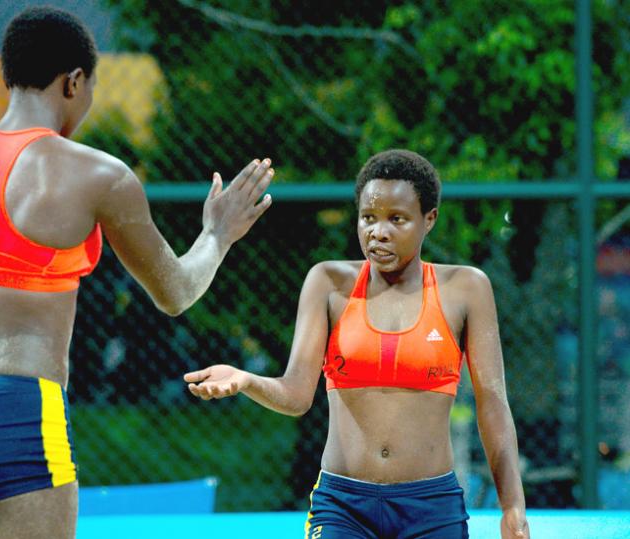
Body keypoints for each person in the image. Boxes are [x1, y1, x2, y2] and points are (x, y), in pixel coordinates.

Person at [0, 6, 273, 539]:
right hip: (7, 412)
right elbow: (176, 292)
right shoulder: (99, 174)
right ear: (73, 82)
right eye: (88, 89)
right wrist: (217, 234)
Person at [185, 149, 529, 539]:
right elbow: (297, 395)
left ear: (429, 219)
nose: (378, 232)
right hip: (343, 506)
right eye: (368, 218)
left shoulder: (466, 289)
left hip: (431, 506)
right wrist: (246, 379)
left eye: (396, 219)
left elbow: (494, 406)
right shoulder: (328, 284)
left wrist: (512, 506)